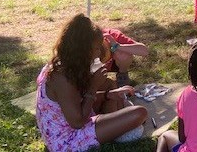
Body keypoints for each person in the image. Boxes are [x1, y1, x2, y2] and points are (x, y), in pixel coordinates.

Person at [36, 14, 148, 152]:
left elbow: (76, 99)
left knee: (110, 87)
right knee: (139, 113)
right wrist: (94, 86)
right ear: (83, 49)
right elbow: (77, 122)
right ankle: (119, 128)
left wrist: (108, 95)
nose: (98, 53)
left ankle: (117, 122)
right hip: (66, 141)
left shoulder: (65, 65)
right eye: (96, 48)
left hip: (75, 122)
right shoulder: (61, 77)